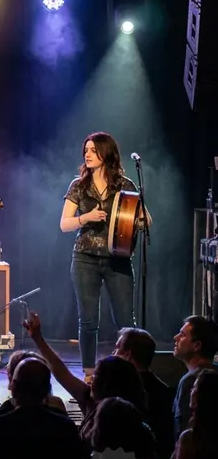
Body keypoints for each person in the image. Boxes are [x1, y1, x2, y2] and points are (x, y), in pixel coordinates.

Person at [60, 132, 150, 377]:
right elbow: (64, 224)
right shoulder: (79, 186)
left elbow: (143, 218)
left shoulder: (125, 184)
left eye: (93, 150)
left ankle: (130, 373)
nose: (87, 154)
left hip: (117, 258)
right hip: (85, 258)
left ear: (105, 153)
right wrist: (86, 218)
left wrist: (138, 220)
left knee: (124, 320)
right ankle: (89, 375)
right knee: (88, 320)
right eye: (85, 150)